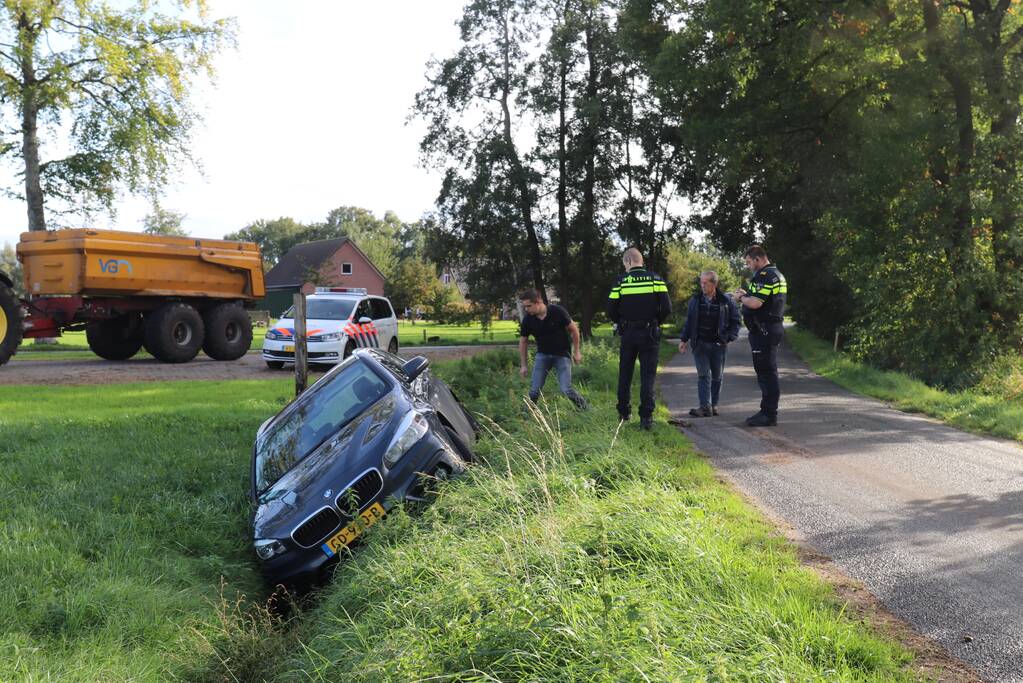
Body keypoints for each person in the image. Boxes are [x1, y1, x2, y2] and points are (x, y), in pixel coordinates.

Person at [607, 247, 671, 430]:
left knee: (625, 374)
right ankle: (646, 418)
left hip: (628, 333)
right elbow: (667, 307)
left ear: (628, 261)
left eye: (624, 264)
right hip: (649, 333)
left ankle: (624, 413)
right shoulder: (656, 279)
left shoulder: (621, 281)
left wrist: (621, 323)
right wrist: (655, 322)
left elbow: (610, 308)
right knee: (647, 376)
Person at [732, 245, 787, 427]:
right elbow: (763, 299)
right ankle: (767, 411)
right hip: (769, 328)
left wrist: (741, 298)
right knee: (767, 370)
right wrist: (747, 295)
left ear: (758, 259)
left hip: (765, 330)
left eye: (749, 262)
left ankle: (768, 414)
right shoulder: (776, 274)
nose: (748, 266)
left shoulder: (765, 275)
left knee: (766, 372)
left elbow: (755, 303)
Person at [677, 270, 740, 417]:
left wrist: (728, 338)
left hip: (718, 346)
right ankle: (705, 407)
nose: (702, 285)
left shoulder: (726, 301)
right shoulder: (695, 300)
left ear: (714, 284)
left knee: (717, 376)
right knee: (703, 375)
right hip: (700, 345)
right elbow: (689, 322)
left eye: (706, 283)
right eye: (701, 282)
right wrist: (683, 340)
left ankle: (714, 405)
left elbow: (736, 321)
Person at [518, 289, 588, 409]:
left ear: (538, 302)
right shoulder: (528, 319)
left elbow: (574, 330)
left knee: (566, 389)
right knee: (535, 390)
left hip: (562, 355)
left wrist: (577, 351)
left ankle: (585, 408)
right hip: (542, 356)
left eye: (528, 306)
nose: (526, 309)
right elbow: (523, 341)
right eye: (524, 307)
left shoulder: (557, 311)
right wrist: (524, 365)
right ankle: (528, 414)